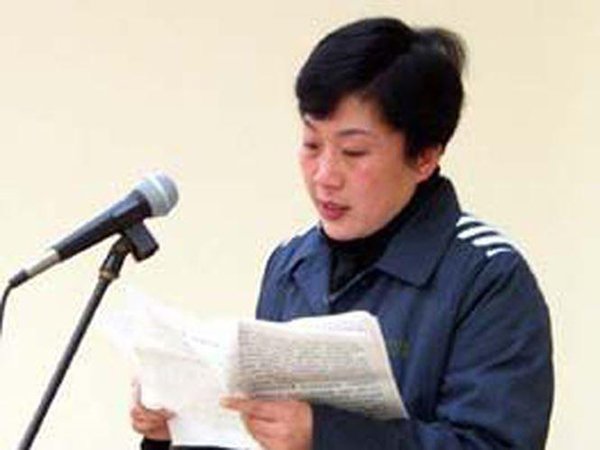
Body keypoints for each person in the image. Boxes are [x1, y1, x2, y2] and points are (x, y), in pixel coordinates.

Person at [131, 17, 554, 450]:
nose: (325, 176)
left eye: (354, 152)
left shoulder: (488, 277)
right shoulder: (292, 264)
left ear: (425, 157)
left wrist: (323, 434)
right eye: (311, 145)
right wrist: (174, 430)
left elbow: (496, 443)